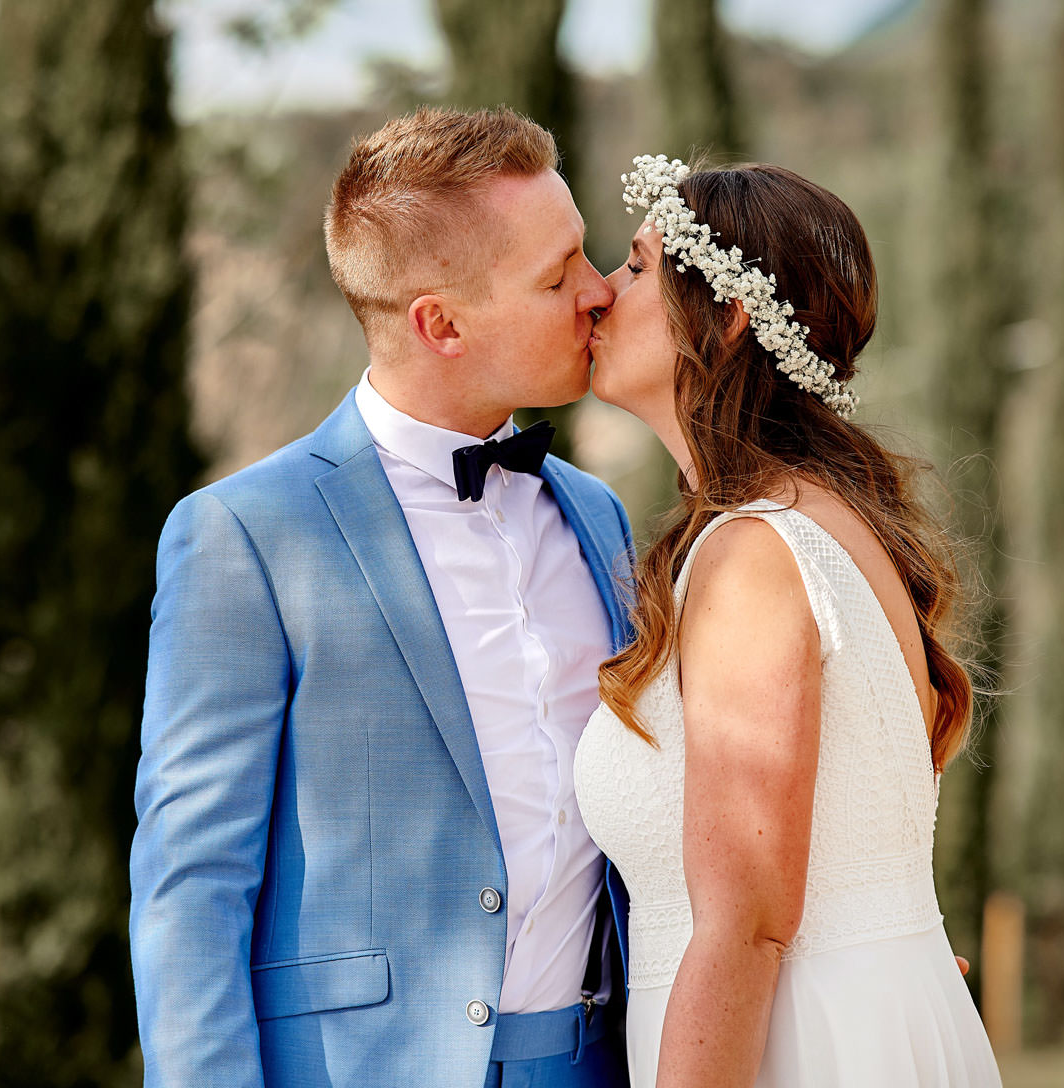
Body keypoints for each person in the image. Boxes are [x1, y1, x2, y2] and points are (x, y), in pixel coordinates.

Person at [130, 107, 637, 1087]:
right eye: (557, 273)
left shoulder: (600, 514)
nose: (599, 290)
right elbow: (192, 886)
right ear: (439, 322)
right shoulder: (245, 535)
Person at [573, 157, 1002, 1087]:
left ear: (725, 318)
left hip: (793, 1053)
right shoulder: (826, 523)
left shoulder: (754, 558)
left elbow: (745, 924)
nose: (601, 293)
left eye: (639, 267)